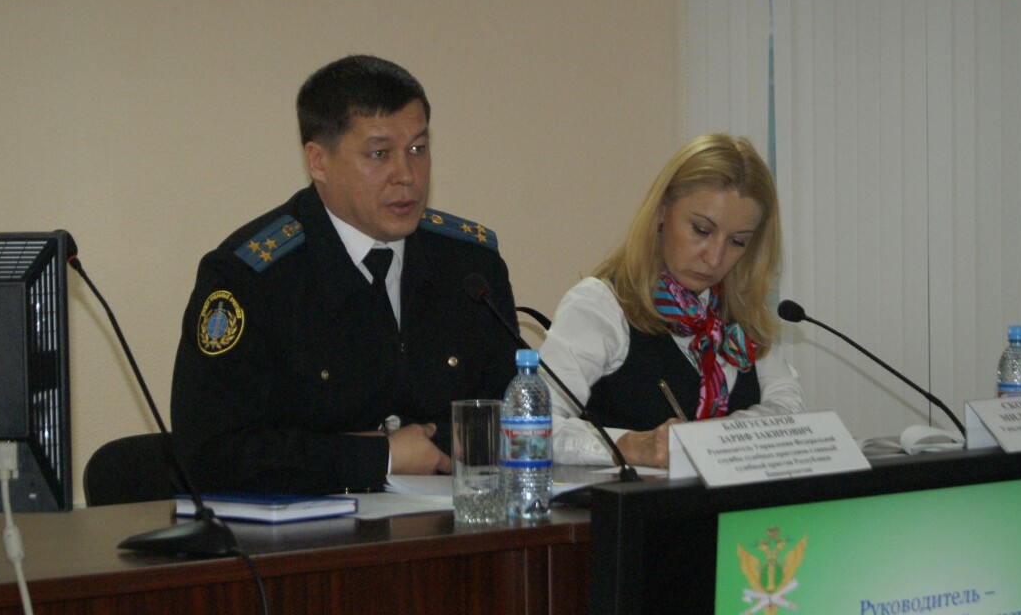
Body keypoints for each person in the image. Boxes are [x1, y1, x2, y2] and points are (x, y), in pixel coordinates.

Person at [171, 54, 517, 494]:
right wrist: (381, 456)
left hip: (454, 523)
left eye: (417, 149)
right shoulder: (250, 278)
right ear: (318, 161)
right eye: (379, 154)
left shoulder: (469, 266)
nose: (406, 176)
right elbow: (212, 454)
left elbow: (510, 416)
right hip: (313, 531)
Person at [539, 133, 804, 468]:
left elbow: (788, 409)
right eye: (702, 230)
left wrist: (717, 437)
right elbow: (530, 429)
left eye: (737, 241)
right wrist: (626, 446)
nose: (715, 257)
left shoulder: (740, 312)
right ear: (663, 210)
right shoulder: (600, 305)